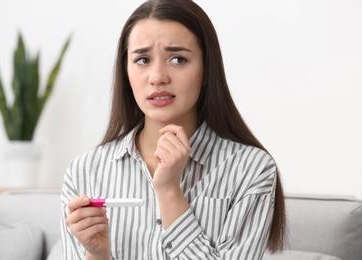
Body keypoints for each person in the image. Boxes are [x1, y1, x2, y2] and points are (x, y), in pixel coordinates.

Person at [61, 0, 286, 259]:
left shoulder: (252, 168)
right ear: (126, 71)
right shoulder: (83, 172)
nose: (157, 76)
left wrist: (169, 192)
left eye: (178, 59)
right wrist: (97, 255)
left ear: (206, 71)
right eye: (142, 59)